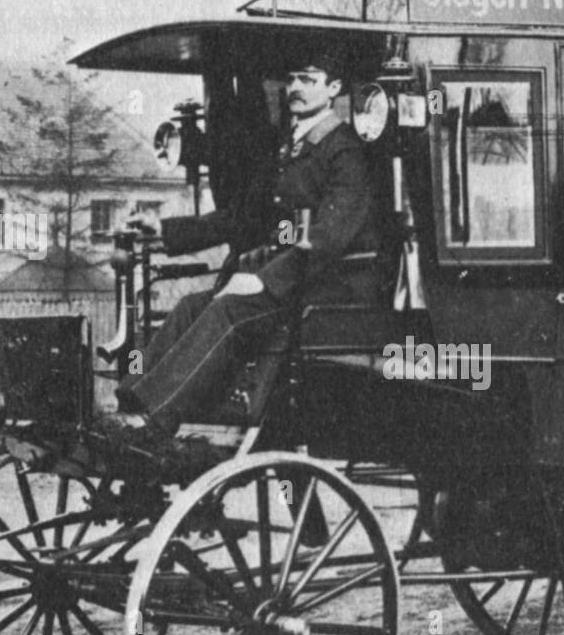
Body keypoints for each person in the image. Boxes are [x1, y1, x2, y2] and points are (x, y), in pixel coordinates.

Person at [96, 50, 383, 450]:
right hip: (290, 282)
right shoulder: (292, 150)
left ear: (334, 89)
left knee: (227, 310)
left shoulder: (345, 152)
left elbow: (328, 238)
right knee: (192, 306)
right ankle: (128, 403)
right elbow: (244, 218)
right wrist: (163, 227)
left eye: (308, 79)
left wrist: (264, 281)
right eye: (293, 79)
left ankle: (155, 420)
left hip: (329, 288)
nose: (296, 88)